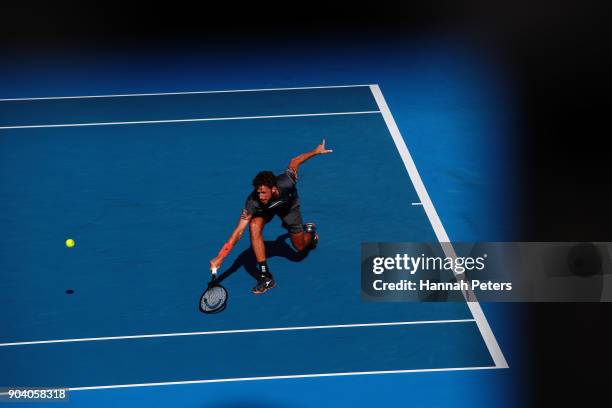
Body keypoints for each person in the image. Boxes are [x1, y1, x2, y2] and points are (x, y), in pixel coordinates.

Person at [210, 140, 333, 294]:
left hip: (289, 208)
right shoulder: (253, 202)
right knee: (254, 225)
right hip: (266, 210)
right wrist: (221, 256)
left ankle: (311, 234)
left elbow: (294, 162)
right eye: (258, 192)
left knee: (300, 248)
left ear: (274, 189)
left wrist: (315, 152)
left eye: (263, 192)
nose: (260, 196)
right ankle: (266, 277)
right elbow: (238, 232)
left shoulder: (286, 182)